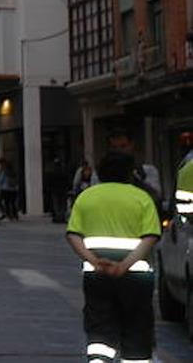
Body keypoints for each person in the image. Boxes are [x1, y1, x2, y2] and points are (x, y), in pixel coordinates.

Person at [65, 152, 160, 363]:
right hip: (136, 277)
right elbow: (150, 237)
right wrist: (124, 265)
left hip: (97, 276)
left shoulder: (87, 197)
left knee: (99, 326)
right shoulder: (141, 198)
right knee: (136, 327)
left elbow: (73, 235)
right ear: (129, 173)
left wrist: (93, 261)